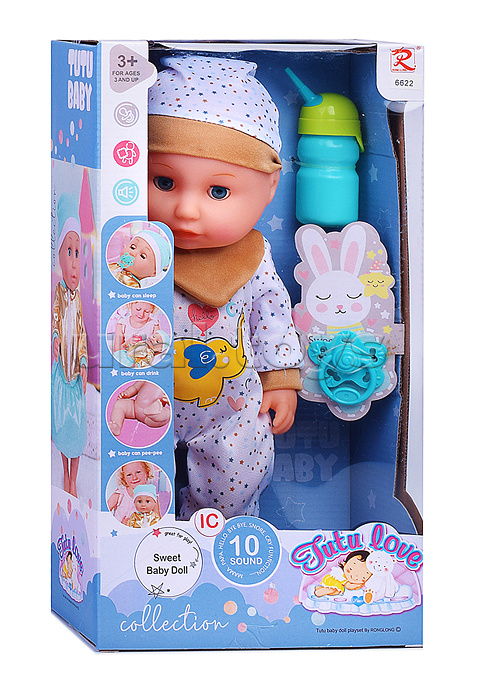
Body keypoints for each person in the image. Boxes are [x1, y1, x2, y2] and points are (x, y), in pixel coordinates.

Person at [147, 56, 302, 518]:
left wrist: (280, 380)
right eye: (164, 182)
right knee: (134, 481)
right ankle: (141, 543)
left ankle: (225, 540)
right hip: (141, 397)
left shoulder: (252, 260)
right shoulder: (134, 251)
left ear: (269, 187)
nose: (186, 210)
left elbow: (272, 318)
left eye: (218, 191)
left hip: (231, 408)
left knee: (235, 476)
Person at [51, 194, 88, 498]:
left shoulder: (78, 300)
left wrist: (84, 362)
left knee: (77, 425)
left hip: (76, 373)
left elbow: (82, 331)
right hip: (61, 372)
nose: (74, 263)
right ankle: (66, 475)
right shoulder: (60, 294)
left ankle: (74, 476)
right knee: (63, 424)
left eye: (78, 253)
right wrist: (55, 338)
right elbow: (55, 319)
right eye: (69, 252)